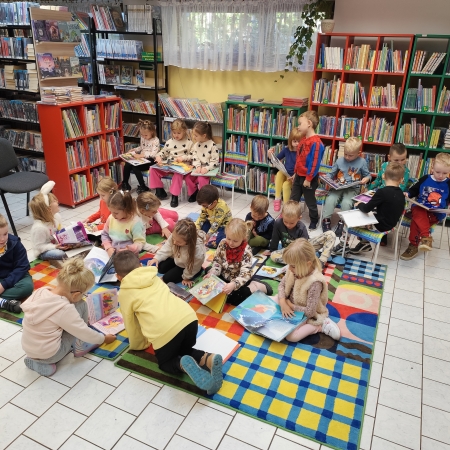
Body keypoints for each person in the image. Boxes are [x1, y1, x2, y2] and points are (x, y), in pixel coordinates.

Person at [114, 250, 223, 394]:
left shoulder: (125, 292)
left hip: (165, 330)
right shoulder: (153, 277)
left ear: (118, 277)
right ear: (140, 266)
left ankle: (182, 366)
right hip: (189, 319)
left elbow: (131, 324)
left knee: (166, 362)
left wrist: (138, 345)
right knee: (184, 350)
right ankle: (207, 358)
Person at [21, 258, 116, 377]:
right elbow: (83, 332)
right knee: (81, 305)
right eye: (84, 294)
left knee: (73, 313)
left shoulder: (41, 291)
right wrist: (103, 339)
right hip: (50, 355)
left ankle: (38, 361)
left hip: (28, 348)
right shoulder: (65, 309)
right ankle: (48, 361)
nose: (83, 296)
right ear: (76, 294)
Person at [274, 239, 340, 341]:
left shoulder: (315, 282)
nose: (289, 269)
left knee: (291, 337)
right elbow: (282, 285)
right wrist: (283, 302)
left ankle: (320, 326)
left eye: (293, 266)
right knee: (270, 302)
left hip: (304, 311)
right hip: (289, 302)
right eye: (289, 265)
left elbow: (310, 312)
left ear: (308, 264)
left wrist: (290, 306)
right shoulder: (293, 270)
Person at [321, 137, 371, 255]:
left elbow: (368, 175)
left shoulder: (362, 162)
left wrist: (366, 179)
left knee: (347, 203)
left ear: (358, 154)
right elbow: (332, 173)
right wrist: (326, 178)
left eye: (351, 155)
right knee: (330, 199)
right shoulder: (339, 161)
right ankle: (326, 220)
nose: (348, 157)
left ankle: (342, 222)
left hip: (353, 188)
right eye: (346, 154)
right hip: (338, 186)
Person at [206, 218, 273, 306]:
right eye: (229, 238)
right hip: (224, 275)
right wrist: (213, 272)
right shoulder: (222, 243)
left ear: (243, 238)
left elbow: (245, 273)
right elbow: (217, 261)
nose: (231, 243)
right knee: (208, 271)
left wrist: (234, 284)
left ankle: (255, 286)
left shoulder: (246, 251)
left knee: (234, 299)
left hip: (239, 280)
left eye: (235, 241)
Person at [400, 152, 450, 261]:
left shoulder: (448, 184)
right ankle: (426, 237)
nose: (441, 176)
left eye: (445, 173)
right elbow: (414, 189)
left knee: (416, 221)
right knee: (418, 211)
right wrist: (408, 194)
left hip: (436, 213)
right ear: (432, 168)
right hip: (420, 207)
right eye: (438, 172)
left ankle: (413, 245)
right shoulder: (425, 178)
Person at [349, 163, 406, 254]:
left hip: (379, 226)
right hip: (391, 224)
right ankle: (364, 243)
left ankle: (349, 244)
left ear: (383, 176)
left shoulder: (382, 192)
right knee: (370, 212)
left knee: (351, 217)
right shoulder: (401, 194)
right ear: (401, 180)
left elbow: (366, 209)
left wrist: (359, 204)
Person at [266, 201, 336, 270]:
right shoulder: (278, 223)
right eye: (285, 222)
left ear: (299, 218)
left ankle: (321, 261)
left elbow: (304, 247)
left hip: (304, 248)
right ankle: (304, 264)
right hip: (290, 251)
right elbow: (275, 238)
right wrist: (272, 250)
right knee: (273, 255)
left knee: (331, 234)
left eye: (292, 223)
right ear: (282, 216)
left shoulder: (301, 227)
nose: (288, 225)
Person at [290, 111, 325, 230]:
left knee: (310, 202)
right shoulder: (303, 140)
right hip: (299, 176)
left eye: (300, 124)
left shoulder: (316, 143)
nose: (298, 126)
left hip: (309, 178)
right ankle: (291, 218)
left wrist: (308, 179)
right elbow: (299, 159)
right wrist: (295, 172)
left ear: (309, 123)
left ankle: (314, 220)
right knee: (293, 199)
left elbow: (314, 163)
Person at [150, 119, 193, 207]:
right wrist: (158, 157)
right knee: (153, 169)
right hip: (169, 164)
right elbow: (163, 152)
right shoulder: (169, 142)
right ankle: (159, 190)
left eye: (178, 133)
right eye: (174, 133)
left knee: (177, 175)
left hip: (182, 166)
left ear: (184, 131)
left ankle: (174, 196)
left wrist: (183, 158)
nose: (176, 135)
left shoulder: (189, 143)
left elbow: (192, 155)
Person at [148, 218, 205, 286]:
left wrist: (186, 277)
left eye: (178, 242)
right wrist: (157, 258)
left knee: (166, 279)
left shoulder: (197, 251)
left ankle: (198, 271)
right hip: (178, 259)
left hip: (189, 267)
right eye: (174, 239)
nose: (174, 242)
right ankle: (176, 267)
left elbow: (193, 267)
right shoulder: (176, 236)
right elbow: (167, 247)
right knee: (160, 268)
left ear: (189, 240)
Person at [0, 214, 33, 313]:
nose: (2, 239)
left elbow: (22, 267)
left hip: (15, 275)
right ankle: (3, 302)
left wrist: (3, 285)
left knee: (27, 287)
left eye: (5, 234)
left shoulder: (15, 243)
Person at [30, 181, 68, 262]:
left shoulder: (57, 216)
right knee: (60, 254)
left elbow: (60, 231)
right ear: (48, 209)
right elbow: (39, 247)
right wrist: (55, 247)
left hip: (56, 245)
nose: (57, 202)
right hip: (43, 251)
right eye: (54, 201)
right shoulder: (39, 228)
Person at [101, 190, 146, 257]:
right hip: (113, 254)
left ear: (126, 209)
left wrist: (129, 249)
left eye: (116, 213)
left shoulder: (135, 222)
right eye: (111, 212)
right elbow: (104, 234)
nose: (113, 215)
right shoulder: (111, 218)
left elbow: (140, 243)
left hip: (129, 256)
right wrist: (108, 247)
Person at [184, 122, 221, 203]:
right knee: (188, 177)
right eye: (193, 135)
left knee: (201, 179)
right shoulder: (196, 145)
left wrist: (206, 168)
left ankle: (204, 197)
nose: (193, 137)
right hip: (198, 168)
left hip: (209, 168)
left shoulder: (212, 145)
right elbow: (195, 157)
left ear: (204, 135)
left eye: (196, 135)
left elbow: (215, 161)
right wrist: (197, 166)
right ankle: (194, 193)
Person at [120, 120, 160, 194]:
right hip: (141, 159)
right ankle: (125, 183)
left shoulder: (156, 140)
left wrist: (142, 155)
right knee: (128, 164)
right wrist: (134, 150)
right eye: (142, 135)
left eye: (146, 135)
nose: (144, 137)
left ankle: (142, 186)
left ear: (152, 132)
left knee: (135, 167)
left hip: (150, 160)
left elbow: (154, 154)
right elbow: (142, 147)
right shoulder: (143, 138)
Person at [268, 128, 302, 212]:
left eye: (299, 141)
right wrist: (270, 155)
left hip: (295, 178)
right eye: (294, 141)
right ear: (290, 141)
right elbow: (275, 160)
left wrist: (295, 176)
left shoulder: (302, 152)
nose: (297, 144)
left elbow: (303, 167)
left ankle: (286, 210)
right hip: (286, 174)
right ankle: (277, 198)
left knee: (286, 186)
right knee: (279, 173)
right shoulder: (286, 150)